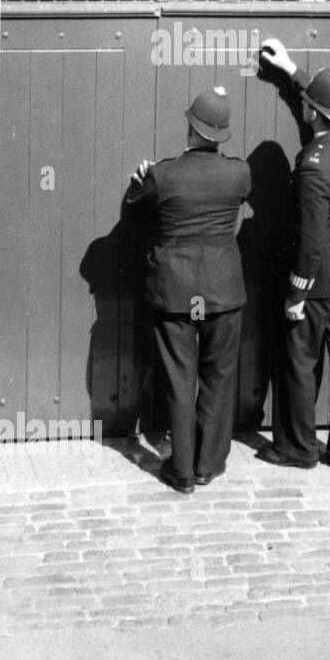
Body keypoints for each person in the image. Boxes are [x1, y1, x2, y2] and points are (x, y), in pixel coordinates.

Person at [255, 39, 330, 474]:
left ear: (313, 113)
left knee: (301, 360)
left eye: (307, 103)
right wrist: (293, 70)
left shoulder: (313, 166)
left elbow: (311, 240)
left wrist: (296, 293)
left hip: (321, 275)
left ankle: (298, 448)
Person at [122, 88, 250, 493]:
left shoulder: (163, 173)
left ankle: (180, 471)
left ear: (190, 125)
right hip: (223, 290)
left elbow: (136, 209)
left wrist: (139, 180)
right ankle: (207, 466)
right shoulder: (240, 172)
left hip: (176, 291)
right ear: (223, 133)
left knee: (179, 380)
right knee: (218, 376)